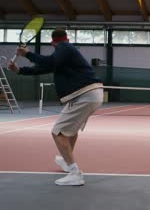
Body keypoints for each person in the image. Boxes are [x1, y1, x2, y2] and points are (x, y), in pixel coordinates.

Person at [8, 29, 103, 186]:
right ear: (67, 38)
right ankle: (68, 163)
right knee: (70, 132)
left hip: (84, 95)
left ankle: (75, 174)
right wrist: (19, 70)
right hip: (89, 95)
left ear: (53, 43)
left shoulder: (64, 48)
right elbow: (43, 68)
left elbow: (49, 63)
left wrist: (27, 54)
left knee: (57, 132)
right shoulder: (64, 55)